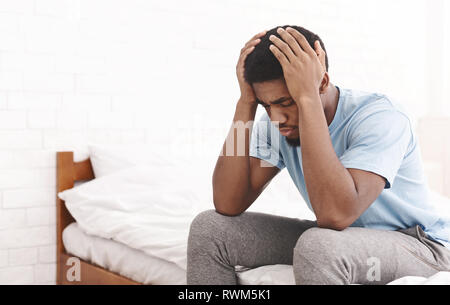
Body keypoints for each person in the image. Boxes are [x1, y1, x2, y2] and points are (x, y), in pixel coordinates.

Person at [186, 25, 450, 285]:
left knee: (319, 246)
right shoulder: (278, 124)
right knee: (210, 229)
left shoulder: (381, 116)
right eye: (267, 105)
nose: (276, 118)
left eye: (285, 102)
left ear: (322, 82)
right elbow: (227, 202)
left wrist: (307, 98)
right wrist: (245, 104)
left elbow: (335, 215)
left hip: (419, 246)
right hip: (341, 238)